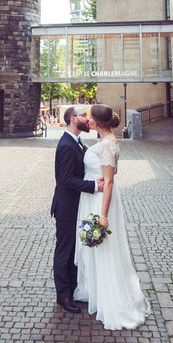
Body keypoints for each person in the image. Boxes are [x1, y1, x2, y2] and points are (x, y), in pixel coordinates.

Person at [74, 103, 151, 330]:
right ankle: (96, 290)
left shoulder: (107, 145)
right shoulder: (106, 142)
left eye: (89, 117)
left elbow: (109, 180)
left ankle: (112, 299)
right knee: (98, 249)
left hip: (101, 201)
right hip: (94, 196)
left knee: (104, 248)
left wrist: (103, 215)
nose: (86, 120)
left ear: (97, 122)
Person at [51, 106, 104, 313]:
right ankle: (62, 295)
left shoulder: (77, 142)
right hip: (66, 208)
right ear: (73, 119)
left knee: (73, 250)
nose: (87, 118)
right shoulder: (65, 145)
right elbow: (66, 179)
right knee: (64, 252)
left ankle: (72, 290)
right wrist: (93, 186)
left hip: (76, 207)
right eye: (84, 115)